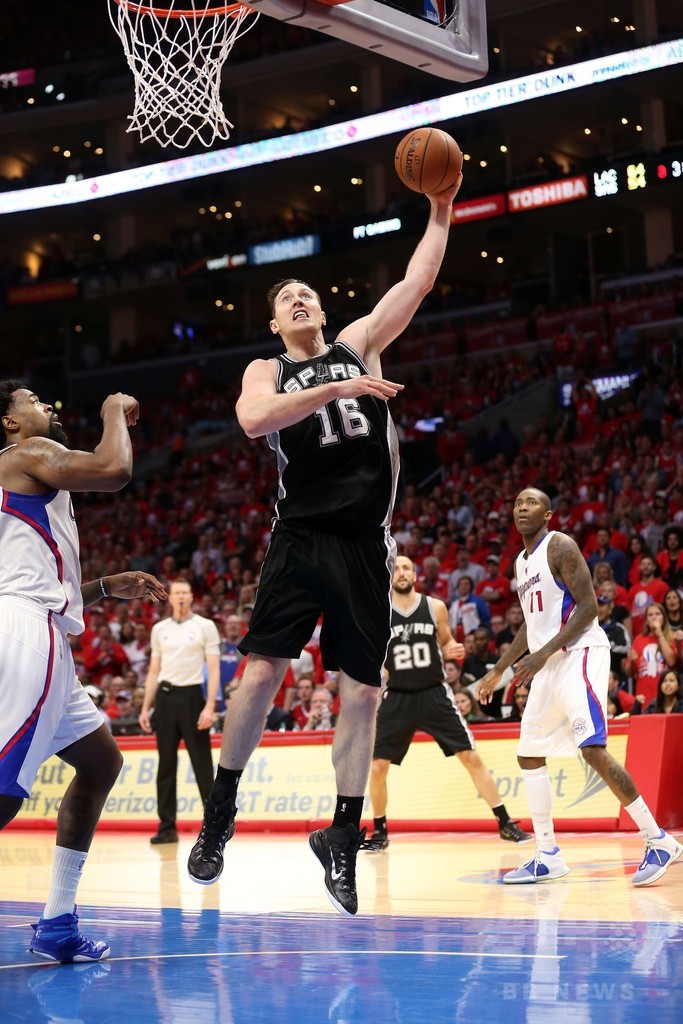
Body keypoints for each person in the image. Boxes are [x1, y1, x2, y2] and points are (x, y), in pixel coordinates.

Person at [187, 178, 462, 916]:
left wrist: (440, 210)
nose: (299, 300)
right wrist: (337, 391)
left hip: (365, 543)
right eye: (287, 299)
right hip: (301, 537)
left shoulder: (358, 343)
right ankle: (221, 809)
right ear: (276, 323)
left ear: (324, 310)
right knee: (261, 674)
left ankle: (342, 832)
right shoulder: (268, 369)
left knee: (362, 691)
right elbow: (254, 420)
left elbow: (417, 279)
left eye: (307, 292)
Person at [0, 380, 166, 963]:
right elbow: (114, 469)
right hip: (26, 632)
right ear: (9, 423)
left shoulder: (25, 474)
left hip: (36, 623)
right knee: (3, 791)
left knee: (100, 762)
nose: (46, 406)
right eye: (31, 402)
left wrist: (104, 586)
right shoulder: (27, 453)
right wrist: (113, 409)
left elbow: (39, 579)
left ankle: (57, 922)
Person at [476, 487, 682, 887]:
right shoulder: (521, 562)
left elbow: (588, 608)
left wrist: (542, 654)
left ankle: (657, 839)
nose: (522, 507)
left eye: (531, 503)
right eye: (517, 503)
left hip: (579, 652)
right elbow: (531, 624)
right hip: (549, 660)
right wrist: (500, 668)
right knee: (529, 753)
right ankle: (547, 854)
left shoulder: (560, 546)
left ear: (548, 514)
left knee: (592, 749)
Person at [365, 556, 531, 852]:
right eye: (396, 569)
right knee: (377, 766)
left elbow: (446, 642)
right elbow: (375, 655)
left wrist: (452, 648)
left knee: (471, 758)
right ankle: (379, 831)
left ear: (415, 575)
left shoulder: (435, 607)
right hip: (398, 695)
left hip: (434, 693)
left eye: (406, 568)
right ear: (389, 576)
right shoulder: (379, 612)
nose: (401, 573)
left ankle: (505, 822)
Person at [139, 579, 221, 845]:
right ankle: (167, 827)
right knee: (165, 764)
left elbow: (214, 669)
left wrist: (210, 706)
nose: (181, 597)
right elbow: (154, 670)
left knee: (202, 763)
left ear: (192, 596)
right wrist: (145, 706)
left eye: (185, 592)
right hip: (164, 698)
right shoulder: (159, 629)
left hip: (192, 697)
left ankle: (214, 826)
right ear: (170, 597)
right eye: (177, 593)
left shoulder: (205, 626)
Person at [623, 602, 679, 708]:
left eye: (657, 614)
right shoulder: (639, 639)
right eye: (650, 615)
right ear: (646, 620)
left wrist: (660, 634)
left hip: (666, 698)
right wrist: (632, 661)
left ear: (664, 618)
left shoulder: (671, 637)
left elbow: (672, 662)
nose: (654, 617)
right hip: (644, 697)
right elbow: (629, 672)